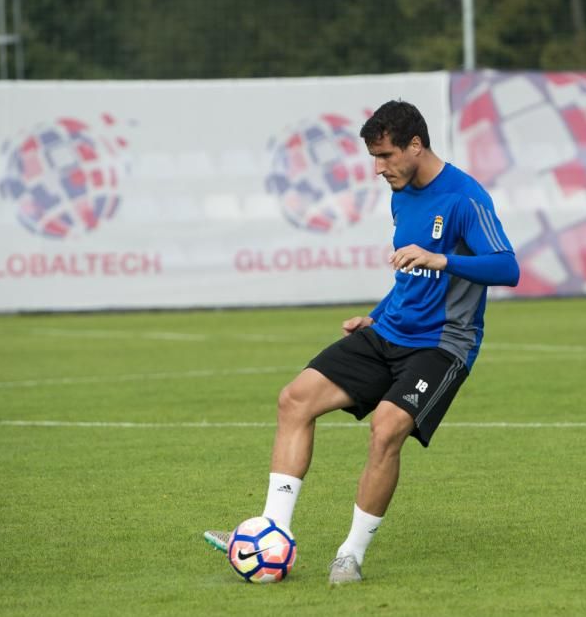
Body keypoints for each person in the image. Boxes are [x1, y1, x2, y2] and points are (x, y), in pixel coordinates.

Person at [205, 100, 519, 583]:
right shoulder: (402, 192)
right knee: (294, 399)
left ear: (416, 145)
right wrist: (374, 317)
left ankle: (350, 555)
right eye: (374, 157)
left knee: (386, 428)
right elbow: (409, 278)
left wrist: (443, 260)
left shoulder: (465, 197)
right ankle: (272, 530)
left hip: (442, 345)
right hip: (388, 332)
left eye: (387, 155)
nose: (378, 168)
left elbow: (507, 267)